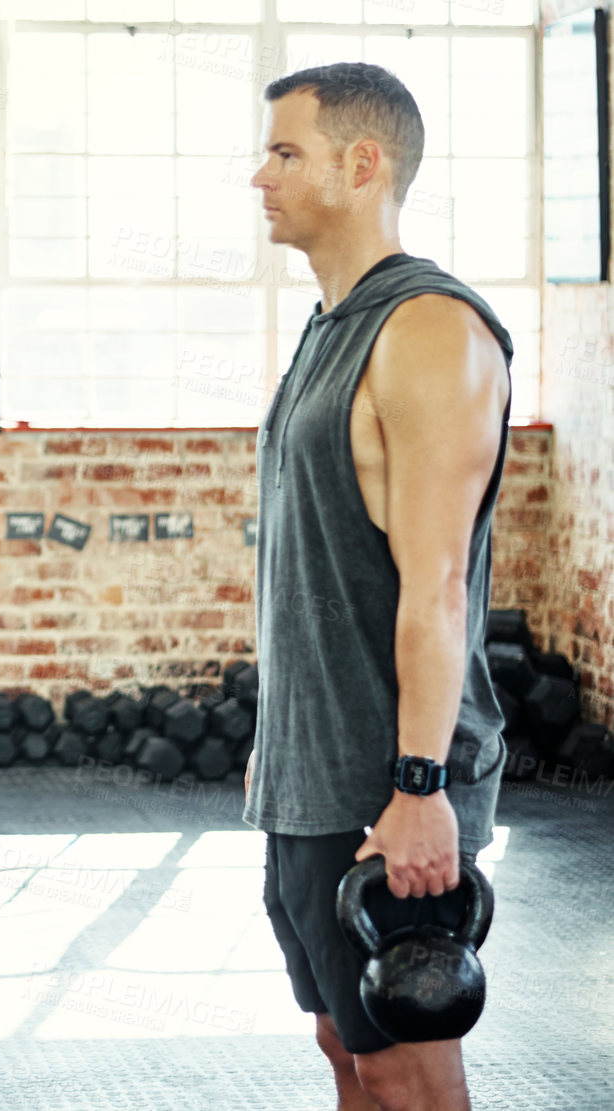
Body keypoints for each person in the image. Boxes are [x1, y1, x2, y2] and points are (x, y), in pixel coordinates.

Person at [243, 63, 512, 1111]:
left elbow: (438, 585)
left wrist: (417, 785)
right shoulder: (329, 326)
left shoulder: (430, 329)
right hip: (311, 767)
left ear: (363, 165)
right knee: (341, 1043)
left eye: (284, 152)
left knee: (404, 1059)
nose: (258, 175)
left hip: (386, 775)